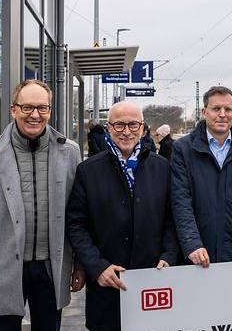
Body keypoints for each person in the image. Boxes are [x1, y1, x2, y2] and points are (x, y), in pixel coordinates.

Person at [0, 80, 84, 331]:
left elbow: (78, 216)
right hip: (2, 269)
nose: (35, 115)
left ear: (49, 111)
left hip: (51, 267)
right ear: (13, 110)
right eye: (27, 108)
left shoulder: (70, 152)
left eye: (42, 108)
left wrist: (79, 265)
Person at [67, 101, 179, 331]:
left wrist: (169, 255)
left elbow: (172, 219)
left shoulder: (162, 168)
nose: (126, 131)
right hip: (106, 284)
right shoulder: (88, 171)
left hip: (153, 282)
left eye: (133, 124)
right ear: (108, 127)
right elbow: (76, 225)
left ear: (143, 128)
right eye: (119, 125)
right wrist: (97, 267)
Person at [171, 86, 232, 267]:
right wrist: (192, 244)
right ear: (204, 111)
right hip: (195, 256)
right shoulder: (183, 149)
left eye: (228, 109)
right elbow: (181, 201)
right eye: (216, 109)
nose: (223, 114)